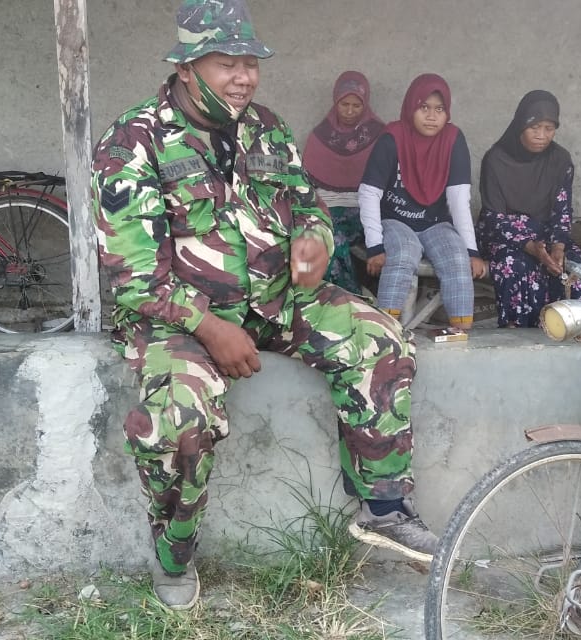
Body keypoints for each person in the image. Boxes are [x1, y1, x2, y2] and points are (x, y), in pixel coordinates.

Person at [89, 0, 438, 611]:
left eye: (250, 62)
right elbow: (134, 277)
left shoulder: (266, 127)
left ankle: (382, 507)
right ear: (188, 66)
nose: (243, 76)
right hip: (179, 319)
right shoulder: (133, 141)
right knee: (180, 415)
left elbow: (309, 206)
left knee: (379, 337)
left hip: (278, 300)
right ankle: (175, 553)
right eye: (227, 63)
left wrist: (316, 241)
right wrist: (210, 328)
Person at [358, 74, 487, 332]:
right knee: (404, 252)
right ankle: (386, 332)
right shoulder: (392, 137)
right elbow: (369, 193)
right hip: (395, 219)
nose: (431, 116)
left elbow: (459, 199)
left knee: (456, 258)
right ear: (410, 107)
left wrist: (471, 252)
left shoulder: (452, 140)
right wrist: (374, 245)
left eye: (439, 109)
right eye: (424, 107)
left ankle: (460, 334)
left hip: (435, 223)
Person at [476, 90, 581, 328]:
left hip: (548, 236)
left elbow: (562, 210)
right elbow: (494, 217)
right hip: (503, 236)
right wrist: (530, 247)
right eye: (535, 127)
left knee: (574, 271)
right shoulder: (496, 159)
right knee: (515, 268)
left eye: (549, 128)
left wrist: (557, 248)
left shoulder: (560, 160)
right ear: (521, 125)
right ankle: (518, 338)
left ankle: (564, 336)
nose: (541, 136)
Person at [302, 71, 386, 295]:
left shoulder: (380, 136)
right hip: (328, 208)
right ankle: (347, 298)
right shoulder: (320, 136)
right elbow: (306, 185)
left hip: (367, 210)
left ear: (365, 103)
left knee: (334, 237)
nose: (349, 111)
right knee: (321, 237)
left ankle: (350, 300)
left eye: (356, 105)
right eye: (344, 104)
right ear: (335, 102)